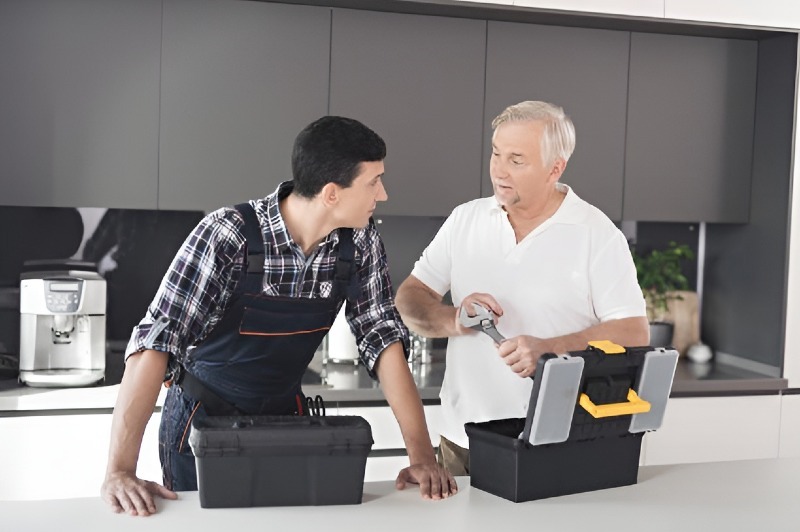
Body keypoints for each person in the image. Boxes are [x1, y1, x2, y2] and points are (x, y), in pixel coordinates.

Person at [101, 116, 457, 516]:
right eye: (373, 182)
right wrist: (120, 471)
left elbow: (382, 337)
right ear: (331, 193)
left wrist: (422, 458)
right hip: (203, 424)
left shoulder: (360, 241)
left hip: (286, 423)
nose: (383, 194)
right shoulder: (227, 235)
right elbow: (156, 342)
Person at [395, 101, 649, 475]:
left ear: (555, 168)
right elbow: (410, 298)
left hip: (553, 443)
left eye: (516, 160)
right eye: (496, 153)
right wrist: (456, 319)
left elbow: (634, 332)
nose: (499, 170)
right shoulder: (466, 219)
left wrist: (551, 348)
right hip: (461, 443)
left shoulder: (596, 234)